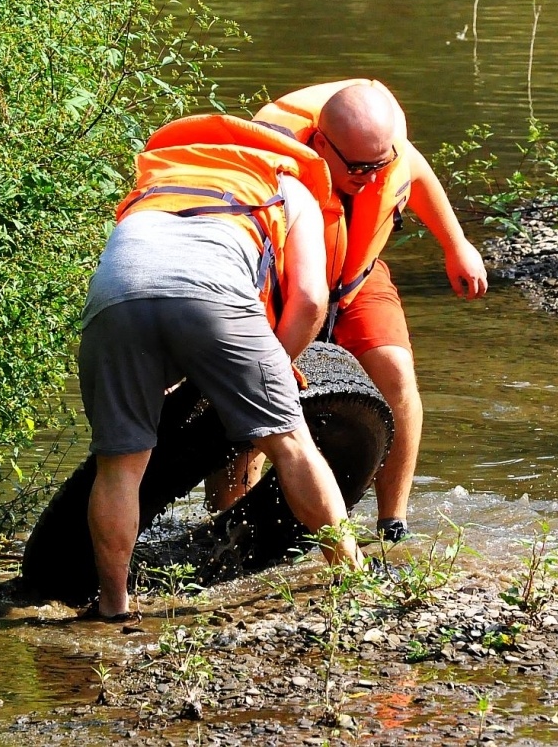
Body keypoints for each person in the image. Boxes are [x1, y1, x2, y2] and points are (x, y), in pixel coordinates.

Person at [77, 115, 359, 621]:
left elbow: (151, 282)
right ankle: (351, 574)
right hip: (214, 294)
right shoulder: (288, 184)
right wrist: (279, 361)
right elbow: (311, 299)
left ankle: (113, 606)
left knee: (120, 466)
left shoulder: (161, 176)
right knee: (290, 444)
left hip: (114, 297)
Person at [253, 79, 489, 542]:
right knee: (253, 384)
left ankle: (392, 523)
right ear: (321, 143)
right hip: (283, 283)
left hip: (355, 276)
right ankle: (226, 522)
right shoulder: (271, 161)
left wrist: (456, 245)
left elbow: (414, 171)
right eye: (359, 167)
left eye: (379, 165)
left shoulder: (384, 155)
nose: (370, 177)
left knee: (396, 370)